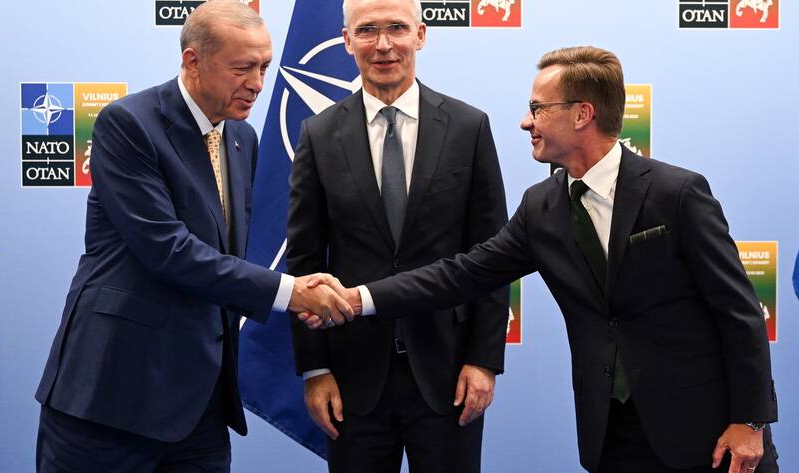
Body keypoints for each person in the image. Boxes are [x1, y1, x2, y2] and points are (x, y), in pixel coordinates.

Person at [306, 46, 779, 473]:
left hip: (711, 434)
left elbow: (739, 314)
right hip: (611, 434)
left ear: (581, 115)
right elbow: (462, 274)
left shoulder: (677, 194)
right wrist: (359, 297)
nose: (525, 121)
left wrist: (751, 420)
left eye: (537, 109)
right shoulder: (542, 207)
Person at [34, 2, 352, 471]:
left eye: (264, 67)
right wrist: (291, 291)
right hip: (111, 398)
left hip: (198, 407)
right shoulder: (129, 124)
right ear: (192, 61)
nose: (258, 84)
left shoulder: (242, 140)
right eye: (242, 68)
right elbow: (169, 251)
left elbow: (227, 259)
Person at [286, 0, 509, 471]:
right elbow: (303, 262)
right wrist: (315, 369)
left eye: (396, 28)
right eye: (367, 30)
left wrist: (484, 360)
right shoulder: (318, 134)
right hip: (351, 379)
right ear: (347, 41)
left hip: (450, 375)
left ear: (421, 35)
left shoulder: (469, 127)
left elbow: (492, 257)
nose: (383, 44)